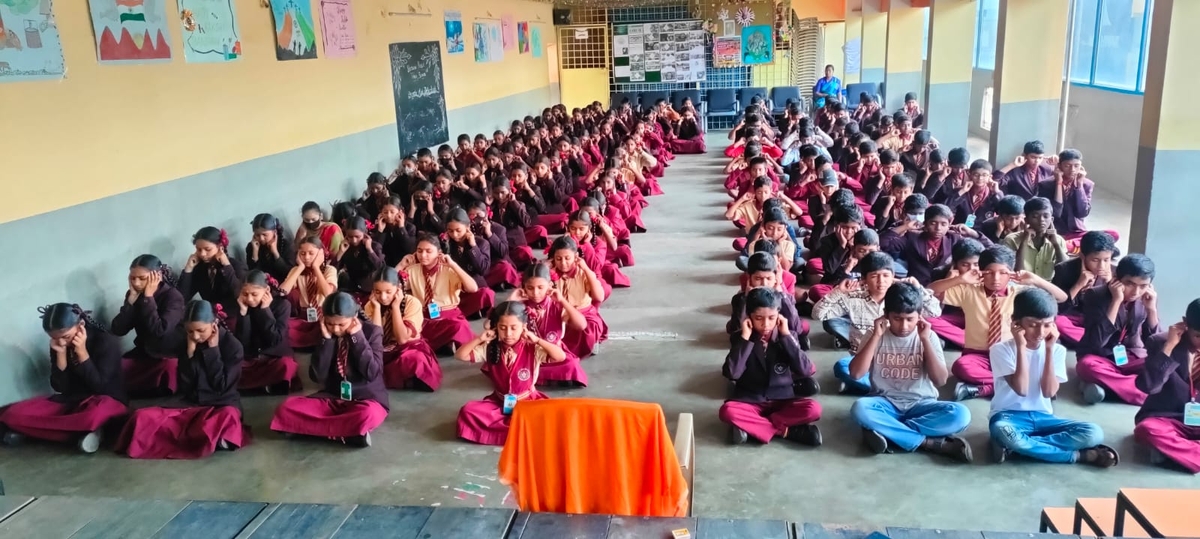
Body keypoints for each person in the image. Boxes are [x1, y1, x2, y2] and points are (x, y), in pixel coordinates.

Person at [987, 288, 1119, 467]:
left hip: (1044, 418)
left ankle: (1020, 448)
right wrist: (1020, 347)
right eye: (1033, 324)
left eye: (1047, 324)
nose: (1040, 332)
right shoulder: (1001, 350)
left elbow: (1049, 392)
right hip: (1008, 418)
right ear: (1015, 323)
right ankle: (1079, 456)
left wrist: (1049, 350)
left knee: (1094, 432)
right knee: (1003, 431)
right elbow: (1022, 389)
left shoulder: (1057, 350)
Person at [848, 283, 972, 461]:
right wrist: (875, 336)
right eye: (897, 318)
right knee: (860, 408)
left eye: (910, 319)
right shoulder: (875, 334)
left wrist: (925, 341)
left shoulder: (928, 336)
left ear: (919, 316)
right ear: (886, 315)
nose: (904, 326)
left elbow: (940, 380)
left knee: (961, 415)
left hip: (921, 404)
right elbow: (856, 374)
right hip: (885, 403)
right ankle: (928, 443)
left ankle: (888, 431)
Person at [929, 245, 1068, 401]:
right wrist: (960, 279)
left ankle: (984, 389)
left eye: (1003, 273)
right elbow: (930, 291)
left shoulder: (1020, 293)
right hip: (978, 354)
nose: (996, 279)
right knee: (961, 367)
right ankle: (1026, 385)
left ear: (1011, 273)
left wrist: (1035, 279)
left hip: (1011, 352)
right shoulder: (968, 290)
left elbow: (1061, 297)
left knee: (1029, 366)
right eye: (989, 273)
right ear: (981, 272)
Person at [116, 300, 246, 459]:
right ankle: (209, 438)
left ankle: (212, 436)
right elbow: (185, 386)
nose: (195, 336)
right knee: (141, 416)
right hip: (190, 403)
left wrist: (213, 351)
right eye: (190, 331)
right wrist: (189, 355)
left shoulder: (233, 347)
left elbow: (222, 386)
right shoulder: (187, 342)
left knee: (228, 416)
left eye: (200, 330)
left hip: (219, 404)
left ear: (214, 324)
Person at [0, 304, 127, 453]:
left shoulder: (105, 341)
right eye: (54, 338)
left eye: (66, 337)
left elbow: (100, 386)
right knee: (12, 413)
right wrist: (60, 357)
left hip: (105, 400)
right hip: (72, 401)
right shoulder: (59, 344)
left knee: (93, 417)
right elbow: (60, 388)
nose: (61, 342)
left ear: (80, 325)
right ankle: (84, 435)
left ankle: (36, 432)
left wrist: (82, 354)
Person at [270, 293, 387, 448]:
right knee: (285, 409)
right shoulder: (325, 332)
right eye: (330, 323)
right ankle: (346, 435)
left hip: (365, 399)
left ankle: (308, 430)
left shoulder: (372, 332)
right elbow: (317, 376)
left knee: (366, 415)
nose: (336, 329)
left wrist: (357, 337)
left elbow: (371, 372)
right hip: (333, 396)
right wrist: (327, 341)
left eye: (341, 324)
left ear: (354, 318)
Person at [817, 253, 942, 393]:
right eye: (874, 276)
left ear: (893, 275)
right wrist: (838, 291)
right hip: (866, 359)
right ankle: (880, 385)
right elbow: (818, 314)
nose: (881, 281)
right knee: (843, 365)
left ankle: (863, 385)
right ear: (864, 278)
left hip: (903, 361)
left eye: (886, 275)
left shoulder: (902, 295)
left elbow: (935, 312)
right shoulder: (854, 296)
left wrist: (919, 289)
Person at [720, 288, 823, 447]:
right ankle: (787, 431)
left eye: (771, 318)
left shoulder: (788, 335)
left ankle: (754, 429)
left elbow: (806, 370)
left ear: (779, 316)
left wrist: (786, 337)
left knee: (813, 409)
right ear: (749, 317)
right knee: (728, 411)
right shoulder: (740, 337)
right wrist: (746, 340)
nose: (766, 324)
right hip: (751, 399)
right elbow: (733, 373)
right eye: (758, 318)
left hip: (783, 399)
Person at [455, 302, 565, 445]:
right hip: (499, 401)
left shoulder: (533, 347)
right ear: (496, 328)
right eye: (502, 328)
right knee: (468, 411)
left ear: (524, 327)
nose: (508, 334)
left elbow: (560, 356)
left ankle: (507, 430)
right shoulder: (491, 348)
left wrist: (538, 340)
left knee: (551, 416)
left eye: (514, 328)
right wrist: (480, 339)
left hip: (528, 402)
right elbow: (460, 355)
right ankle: (522, 432)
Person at [1075, 254, 1161, 406]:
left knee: (1163, 364)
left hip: (1130, 356)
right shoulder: (1095, 295)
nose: (1136, 292)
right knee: (1087, 366)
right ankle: (1144, 395)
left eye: (1143, 286)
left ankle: (1104, 387)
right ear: (1116, 278)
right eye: (1130, 283)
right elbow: (1097, 342)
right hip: (1100, 357)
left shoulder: (1146, 298)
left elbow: (1156, 343)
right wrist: (1116, 301)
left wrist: (1152, 310)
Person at [1133, 300, 1200, 473]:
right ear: (1185, 324)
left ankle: (1177, 453)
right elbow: (1149, 386)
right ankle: (1184, 453)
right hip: (1166, 417)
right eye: (1198, 336)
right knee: (1147, 430)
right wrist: (1168, 348)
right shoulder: (1160, 342)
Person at [111, 255, 184, 396]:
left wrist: (148, 299)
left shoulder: (173, 297)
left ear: (157, 276)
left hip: (168, 352)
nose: (137, 283)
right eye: (132, 278)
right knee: (114, 369)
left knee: (168, 368)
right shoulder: (133, 294)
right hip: (145, 351)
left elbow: (159, 331)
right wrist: (130, 303)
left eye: (142, 278)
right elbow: (118, 329)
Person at [510, 263, 589, 387]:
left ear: (550, 285)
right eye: (530, 288)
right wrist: (511, 300)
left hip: (552, 353)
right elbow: (490, 325)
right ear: (523, 287)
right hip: (525, 354)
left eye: (540, 287)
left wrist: (562, 300)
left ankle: (532, 377)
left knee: (570, 365)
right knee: (508, 363)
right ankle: (546, 378)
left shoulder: (556, 304)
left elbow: (582, 325)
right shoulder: (519, 305)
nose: (535, 293)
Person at [398, 233, 480, 353]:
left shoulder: (449, 269)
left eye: (428, 251)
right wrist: (401, 265)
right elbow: (391, 287)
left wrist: (453, 264)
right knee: (408, 334)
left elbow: (473, 288)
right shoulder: (412, 270)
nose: (423, 255)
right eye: (419, 251)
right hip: (423, 317)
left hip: (449, 317)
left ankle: (445, 342)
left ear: (439, 252)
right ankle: (444, 343)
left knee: (459, 327)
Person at [364, 267, 441, 391]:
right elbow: (376, 340)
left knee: (413, 359)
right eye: (377, 292)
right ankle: (403, 379)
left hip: (406, 348)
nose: (383, 297)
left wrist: (395, 307)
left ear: (398, 287)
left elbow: (402, 339)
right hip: (382, 349)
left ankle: (396, 378)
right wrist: (377, 309)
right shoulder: (371, 305)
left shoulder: (412, 303)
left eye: (388, 292)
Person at [880, 204, 988, 286]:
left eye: (943, 224)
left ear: (949, 224)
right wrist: (905, 227)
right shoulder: (912, 238)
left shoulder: (954, 239)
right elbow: (882, 243)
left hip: (944, 288)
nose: (938, 228)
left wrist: (972, 232)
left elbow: (990, 251)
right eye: (933, 223)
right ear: (925, 223)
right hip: (916, 287)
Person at [230, 270, 298, 394]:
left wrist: (265, 310)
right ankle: (264, 387)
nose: (249, 299)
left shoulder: (282, 305)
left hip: (273, 358)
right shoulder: (243, 306)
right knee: (230, 367)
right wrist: (243, 314)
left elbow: (275, 339)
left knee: (285, 366)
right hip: (251, 359)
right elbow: (242, 343)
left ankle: (254, 388)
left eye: (254, 294)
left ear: (267, 290)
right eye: (245, 294)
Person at [1050, 231, 1118, 346]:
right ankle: (1095, 341)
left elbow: (1117, 310)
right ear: (1082, 256)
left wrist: (1109, 284)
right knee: (1057, 321)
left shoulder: (1114, 272)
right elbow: (1056, 308)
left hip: (1097, 318)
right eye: (1095, 260)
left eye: (1106, 260)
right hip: (1074, 317)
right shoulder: (1063, 269)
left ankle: (1091, 340)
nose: (1102, 266)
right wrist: (1079, 284)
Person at [1048, 149, 1121, 253]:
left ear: (1081, 167)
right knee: (1052, 241)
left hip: (1077, 232)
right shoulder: (1046, 184)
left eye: (1076, 166)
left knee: (1113, 234)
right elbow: (1056, 213)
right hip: (1057, 232)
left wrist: (1079, 185)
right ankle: (1088, 247)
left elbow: (1082, 212)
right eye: (1067, 166)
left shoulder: (1087, 184)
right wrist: (1059, 183)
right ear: (1059, 166)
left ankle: (1071, 246)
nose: (1072, 170)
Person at [549, 237, 609, 357]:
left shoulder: (582, 273)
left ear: (576, 257)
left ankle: (586, 346)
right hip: (558, 313)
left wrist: (586, 268)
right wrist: (545, 269)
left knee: (588, 328)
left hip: (583, 312)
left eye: (567, 258)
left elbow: (599, 297)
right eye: (558, 259)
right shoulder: (549, 274)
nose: (563, 263)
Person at [280, 237, 339, 349]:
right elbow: (283, 292)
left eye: (311, 253)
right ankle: (308, 341)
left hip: (323, 315)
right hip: (304, 316)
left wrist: (316, 268)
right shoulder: (296, 271)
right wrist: (300, 268)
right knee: (284, 326)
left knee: (325, 329)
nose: (306, 257)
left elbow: (328, 294)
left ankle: (308, 342)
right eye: (302, 253)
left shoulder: (329, 270)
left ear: (321, 253)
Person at [925, 239, 985, 349]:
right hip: (954, 320)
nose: (972, 269)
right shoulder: (941, 273)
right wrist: (954, 280)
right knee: (925, 318)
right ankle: (970, 341)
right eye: (965, 265)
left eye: (976, 264)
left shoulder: (987, 276)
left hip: (979, 320)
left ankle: (957, 339)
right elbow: (933, 307)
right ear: (955, 264)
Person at [178, 226, 248, 315]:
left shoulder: (236, 266)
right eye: (199, 250)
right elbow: (182, 298)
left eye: (208, 249)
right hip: (209, 317)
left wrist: (227, 266)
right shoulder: (200, 268)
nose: (202, 254)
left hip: (233, 317)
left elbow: (240, 295)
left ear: (220, 247)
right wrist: (188, 268)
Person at [443, 209, 497, 319]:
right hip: (453, 288)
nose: (454, 234)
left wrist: (473, 247)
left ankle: (465, 311)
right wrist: (445, 246)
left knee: (487, 294)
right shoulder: (446, 244)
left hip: (473, 287)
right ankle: (469, 311)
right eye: (450, 230)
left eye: (458, 230)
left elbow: (483, 270)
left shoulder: (481, 243)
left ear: (467, 227)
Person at [1002, 197, 1067, 280]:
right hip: (1021, 286)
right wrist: (1024, 243)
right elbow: (1017, 274)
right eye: (1035, 216)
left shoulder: (1058, 240)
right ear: (1026, 220)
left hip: (1048, 287)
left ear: (1052, 219)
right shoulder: (1011, 240)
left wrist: (1056, 245)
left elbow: (1065, 272)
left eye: (1046, 216)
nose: (1041, 220)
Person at [335, 217, 385, 298]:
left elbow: (381, 268)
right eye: (350, 236)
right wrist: (340, 253)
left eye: (357, 236)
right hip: (352, 289)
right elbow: (333, 270)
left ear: (365, 233)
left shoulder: (374, 246)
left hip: (371, 291)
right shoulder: (346, 247)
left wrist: (369, 250)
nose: (354, 240)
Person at [246, 213, 295, 283]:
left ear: (274, 232)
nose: (261, 238)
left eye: (265, 234)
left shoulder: (285, 245)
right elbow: (254, 276)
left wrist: (275, 253)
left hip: (285, 284)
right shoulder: (252, 247)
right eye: (257, 235)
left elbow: (289, 273)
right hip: (263, 285)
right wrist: (255, 255)